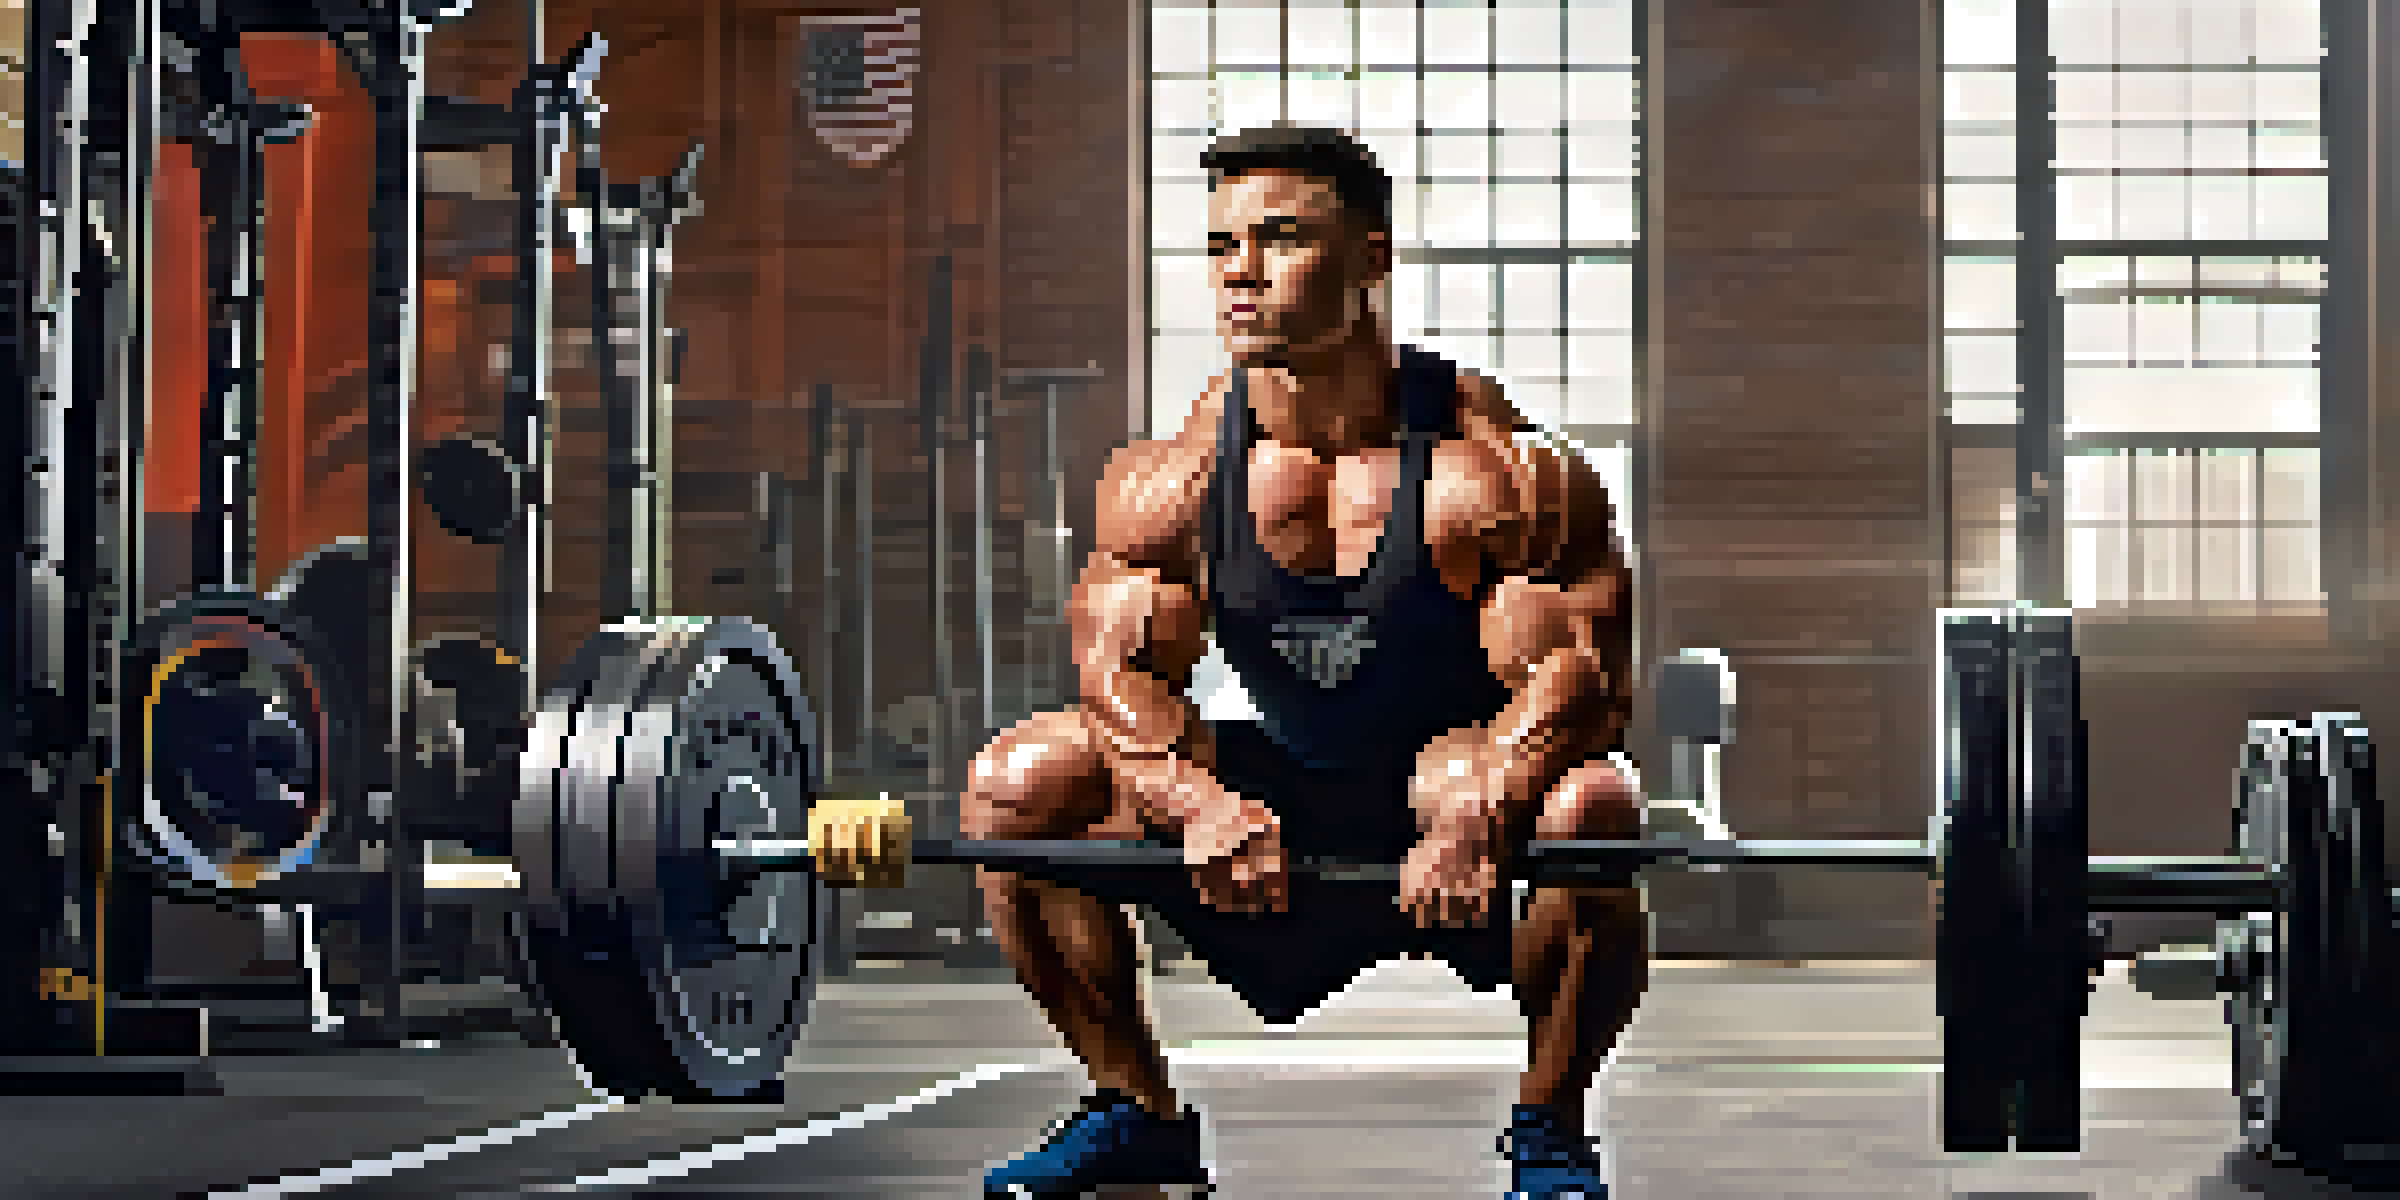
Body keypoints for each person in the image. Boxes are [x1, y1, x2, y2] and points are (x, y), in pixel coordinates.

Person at [966, 121, 1646, 1199]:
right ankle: (1135, 1110)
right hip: (1273, 806)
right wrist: (1194, 805)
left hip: (1458, 801)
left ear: (1372, 257)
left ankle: (1550, 1131)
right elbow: (1118, 678)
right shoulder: (1175, 479)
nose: (1240, 271)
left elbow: (1580, 683)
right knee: (1019, 785)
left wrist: (1484, 809)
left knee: (1595, 807)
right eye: (1222, 244)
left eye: (1280, 239)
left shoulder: (1494, 469)